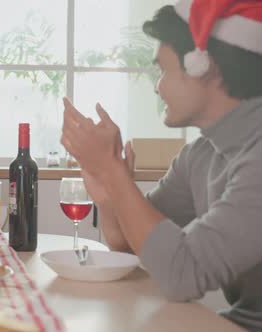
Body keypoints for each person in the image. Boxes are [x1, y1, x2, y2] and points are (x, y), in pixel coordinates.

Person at [61, 0, 262, 330]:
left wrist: (114, 171)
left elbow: (182, 274)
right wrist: (109, 193)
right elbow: (131, 246)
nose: (158, 86)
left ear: (204, 68)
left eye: (164, 70)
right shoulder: (201, 155)